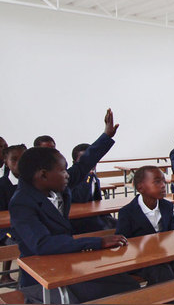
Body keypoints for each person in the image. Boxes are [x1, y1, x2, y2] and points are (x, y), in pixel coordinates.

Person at [9, 109, 140, 303]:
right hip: (41, 274)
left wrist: (106, 136)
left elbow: (83, 164)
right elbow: (42, 245)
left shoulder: (56, 186)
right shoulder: (21, 203)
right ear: (43, 175)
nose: (68, 175)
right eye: (62, 171)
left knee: (127, 285)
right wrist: (98, 242)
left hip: (67, 262)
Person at [116, 166, 174, 303]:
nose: (163, 186)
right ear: (141, 188)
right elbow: (123, 244)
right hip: (142, 258)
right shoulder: (127, 212)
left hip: (166, 252)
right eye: (157, 182)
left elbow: (172, 233)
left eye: (163, 181)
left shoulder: (167, 206)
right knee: (164, 274)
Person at [70, 143, 117, 234]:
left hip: (94, 215)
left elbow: (97, 201)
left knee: (123, 225)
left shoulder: (93, 177)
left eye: (92, 158)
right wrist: (88, 176)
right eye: (84, 160)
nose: (90, 162)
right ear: (75, 163)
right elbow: (81, 198)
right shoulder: (72, 178)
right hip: (80, 219)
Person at [0, 144, 26, 284]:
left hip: (25, 225)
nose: (19, 164)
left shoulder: (32, 182)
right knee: (22, 242)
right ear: (6, 161)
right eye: (14, 160)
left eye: (22, 159)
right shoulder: (2, 185)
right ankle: (22, 282)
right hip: (6, 229)